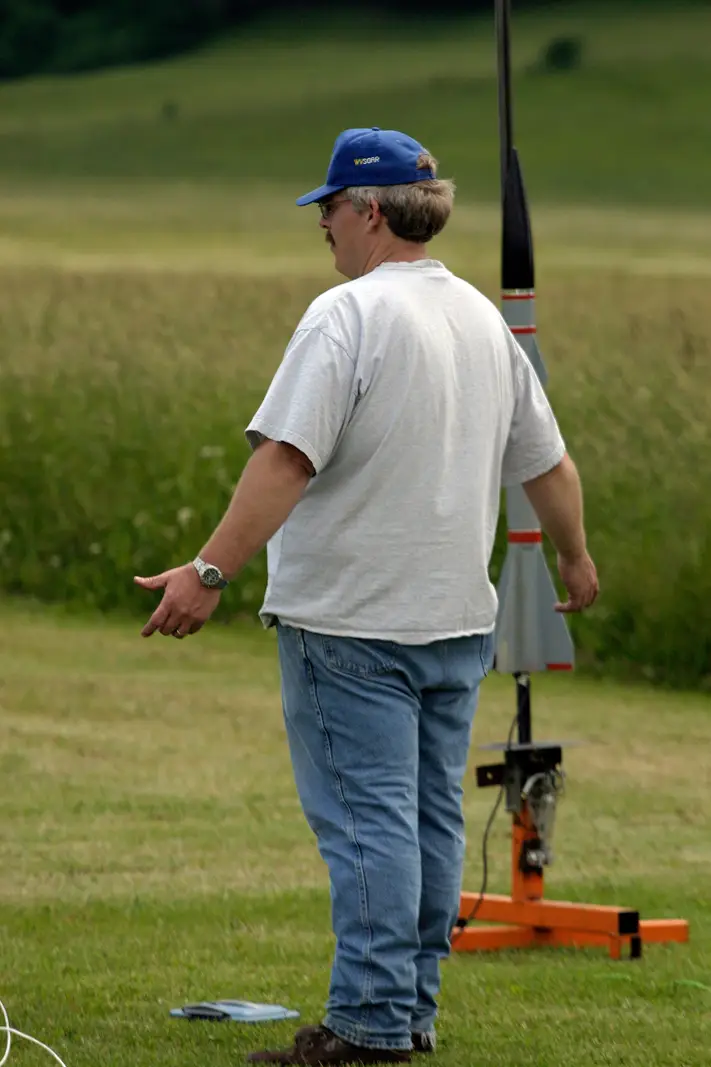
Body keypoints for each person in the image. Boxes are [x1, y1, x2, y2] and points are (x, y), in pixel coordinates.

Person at [135, 127, 599, 1065]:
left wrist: (209, 571)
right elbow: (547, 464)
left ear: (371, 212)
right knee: (424, 822)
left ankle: (369, 1025)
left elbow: (285, 460)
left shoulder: (343, 316)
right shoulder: (479, 319)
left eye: (331, 212)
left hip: (349, 622)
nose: (325, 230)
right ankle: (411, 1010)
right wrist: (574, 561)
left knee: (368, 826)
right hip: (455, 623)